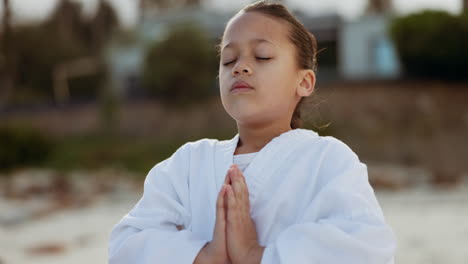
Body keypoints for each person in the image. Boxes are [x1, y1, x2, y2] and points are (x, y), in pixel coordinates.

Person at [108, 1, 397, 263]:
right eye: (229, 60)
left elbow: (367, 247)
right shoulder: (187, 164)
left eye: (262, 56)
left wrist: (254, 254)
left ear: (305, 82)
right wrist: (205, 256)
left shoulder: (327, 160)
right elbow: (125, 245)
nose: (240, 67)